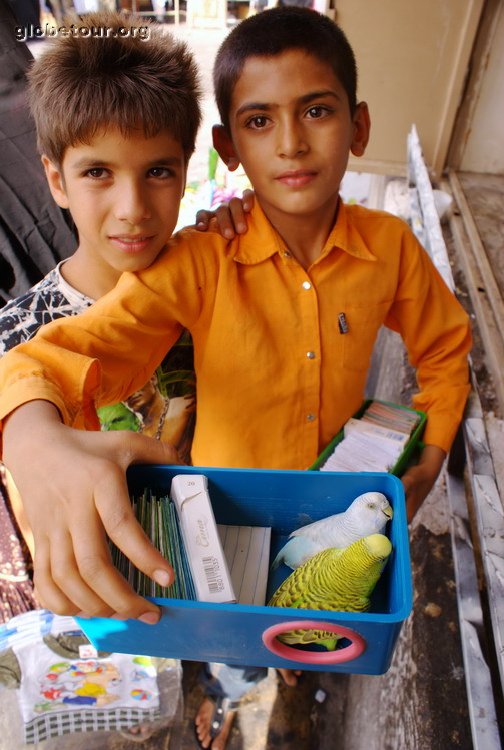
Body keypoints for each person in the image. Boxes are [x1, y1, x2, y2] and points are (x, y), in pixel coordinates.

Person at [0, 6, 471, 748]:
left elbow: (446, 348)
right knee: (231, 639)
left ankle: (279, 664)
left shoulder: (391, 248)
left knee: (315, 615)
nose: (290, 142)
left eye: (316, 111)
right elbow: (56, 355)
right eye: (259, 121)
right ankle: (229, 687)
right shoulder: (195, 265)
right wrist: (29, 430)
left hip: (337, 509)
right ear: (228, 146)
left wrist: (434, 447)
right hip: (219, 527)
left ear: (359, 127)